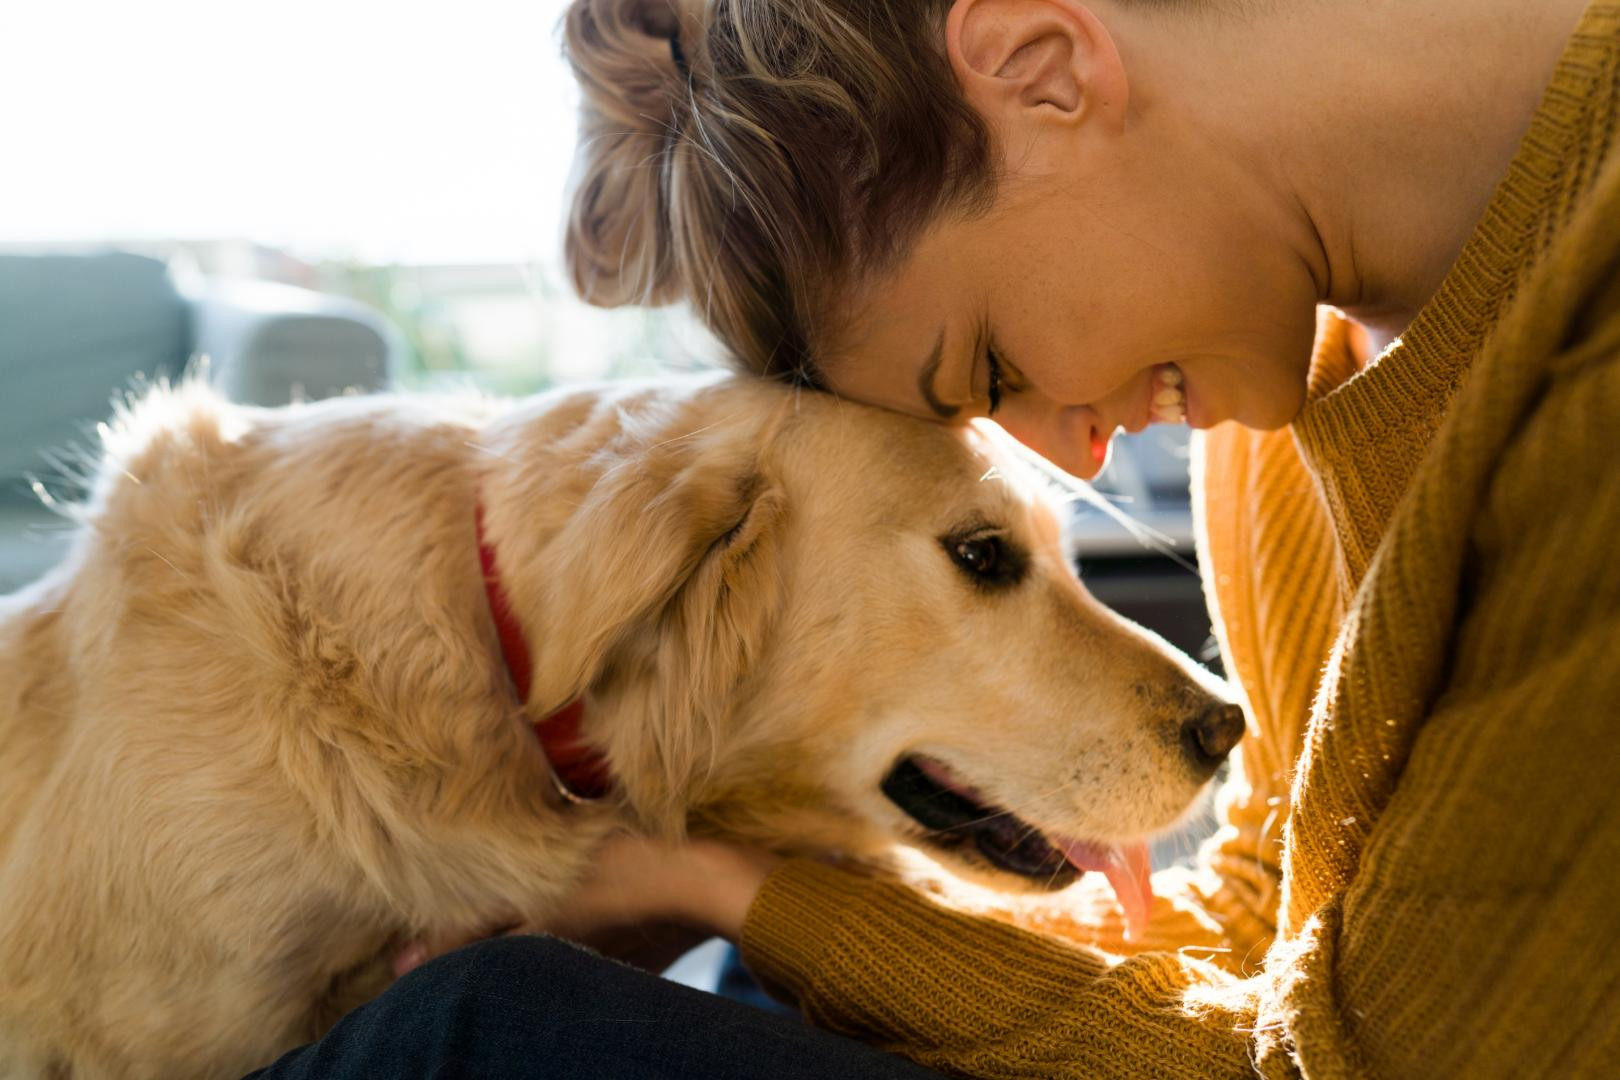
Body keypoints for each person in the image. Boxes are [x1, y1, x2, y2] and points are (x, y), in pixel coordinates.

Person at [257, 0, 1620, 1076]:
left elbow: (1351, 1062)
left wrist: (707, 878)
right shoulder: (1273, 373)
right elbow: (1280, 926)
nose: (1079, 450)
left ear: (1043, 66)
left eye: (989, 356)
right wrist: (760, 899)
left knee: (484, 1030)